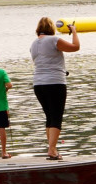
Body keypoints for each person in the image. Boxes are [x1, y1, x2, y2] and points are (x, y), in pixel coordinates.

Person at [30, 16, 80, 160]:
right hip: (55, 82)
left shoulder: (33, 44)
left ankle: (53, 149)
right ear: (51, 28)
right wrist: (74, 31)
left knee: (49, 117)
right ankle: (51, 150)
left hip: (38, 84)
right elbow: (75, 47)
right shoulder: (53, 40)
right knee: (56, 117)